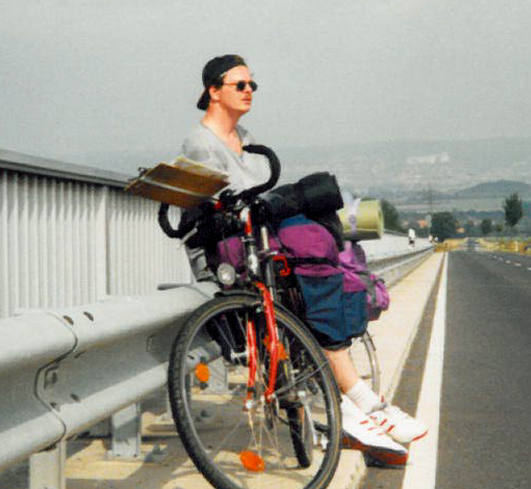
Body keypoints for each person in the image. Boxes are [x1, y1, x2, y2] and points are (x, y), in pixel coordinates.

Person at [180, 54, 427, 466]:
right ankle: (361, 401)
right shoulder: (199, 143)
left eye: (252, 85)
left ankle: (354, 404)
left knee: (328, 250)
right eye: (239, 84)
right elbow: (218, 208)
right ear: (213, 90)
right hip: (232, 248)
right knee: (310, 256)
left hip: (260, 241)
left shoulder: (248, 139)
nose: (248, 92)